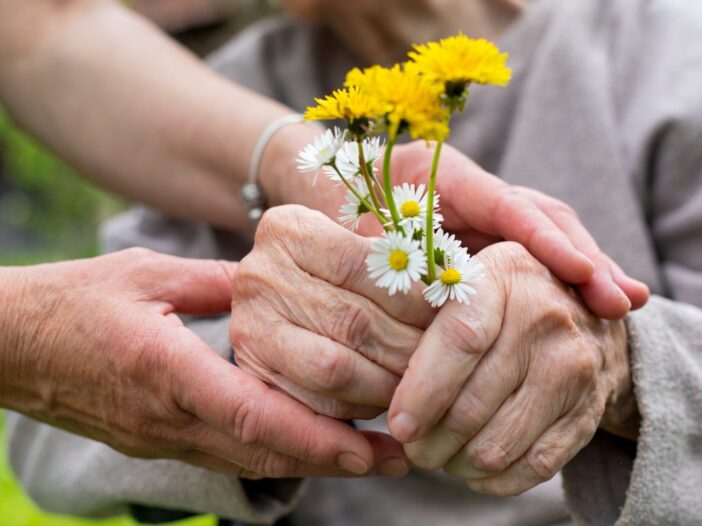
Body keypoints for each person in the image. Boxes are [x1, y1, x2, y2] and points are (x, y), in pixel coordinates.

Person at [8, 0, 700, 525]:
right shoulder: (221, 99)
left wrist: (624, 364)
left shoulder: (666, 51)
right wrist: (261, 357)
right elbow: (46, 437)